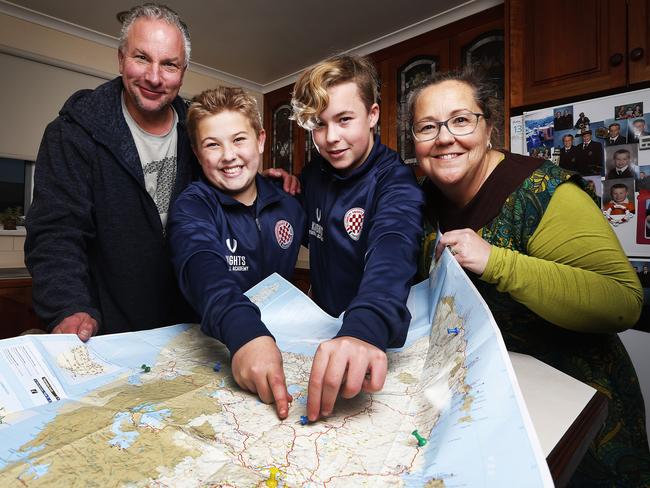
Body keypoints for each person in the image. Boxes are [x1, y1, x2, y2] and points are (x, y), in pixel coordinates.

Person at [408, 67, 648, 487]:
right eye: (428, 126)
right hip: (489, 409)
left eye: (461, 120)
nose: (444, 136)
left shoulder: (543, 192)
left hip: (579, 419)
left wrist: (497, 261)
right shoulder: (421, 203)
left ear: (489, 128)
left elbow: (623, 301)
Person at [25, 4, 198, 341]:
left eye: (169, 64)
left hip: (191, 334)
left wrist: (270, 188)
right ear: (121, 60)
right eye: (141, 58)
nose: (154, 76)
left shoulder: (200, 134)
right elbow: (56, 231)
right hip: (107, 333)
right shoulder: (72, 133)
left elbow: (227, 201)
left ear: (183, 71)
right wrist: (68, 306)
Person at [291, 54, 424, 422]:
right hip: (324, 336)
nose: (331, 138)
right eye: (319, 124)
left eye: (344, 119)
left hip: (373, 342)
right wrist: (277, 195)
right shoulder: (315, 172)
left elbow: (393, 249)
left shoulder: (395, 181)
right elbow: (308, 229)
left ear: (373, 115)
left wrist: (363, 329)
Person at [168, 87, 305, 419]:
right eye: (213, 145)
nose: (228, 155)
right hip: (222, 352)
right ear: (198, 155)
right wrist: (246, 333)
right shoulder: (192, 206)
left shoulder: (291, 201)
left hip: (286, 350)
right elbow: (203, 269)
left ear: (260, 141)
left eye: (239, 140)